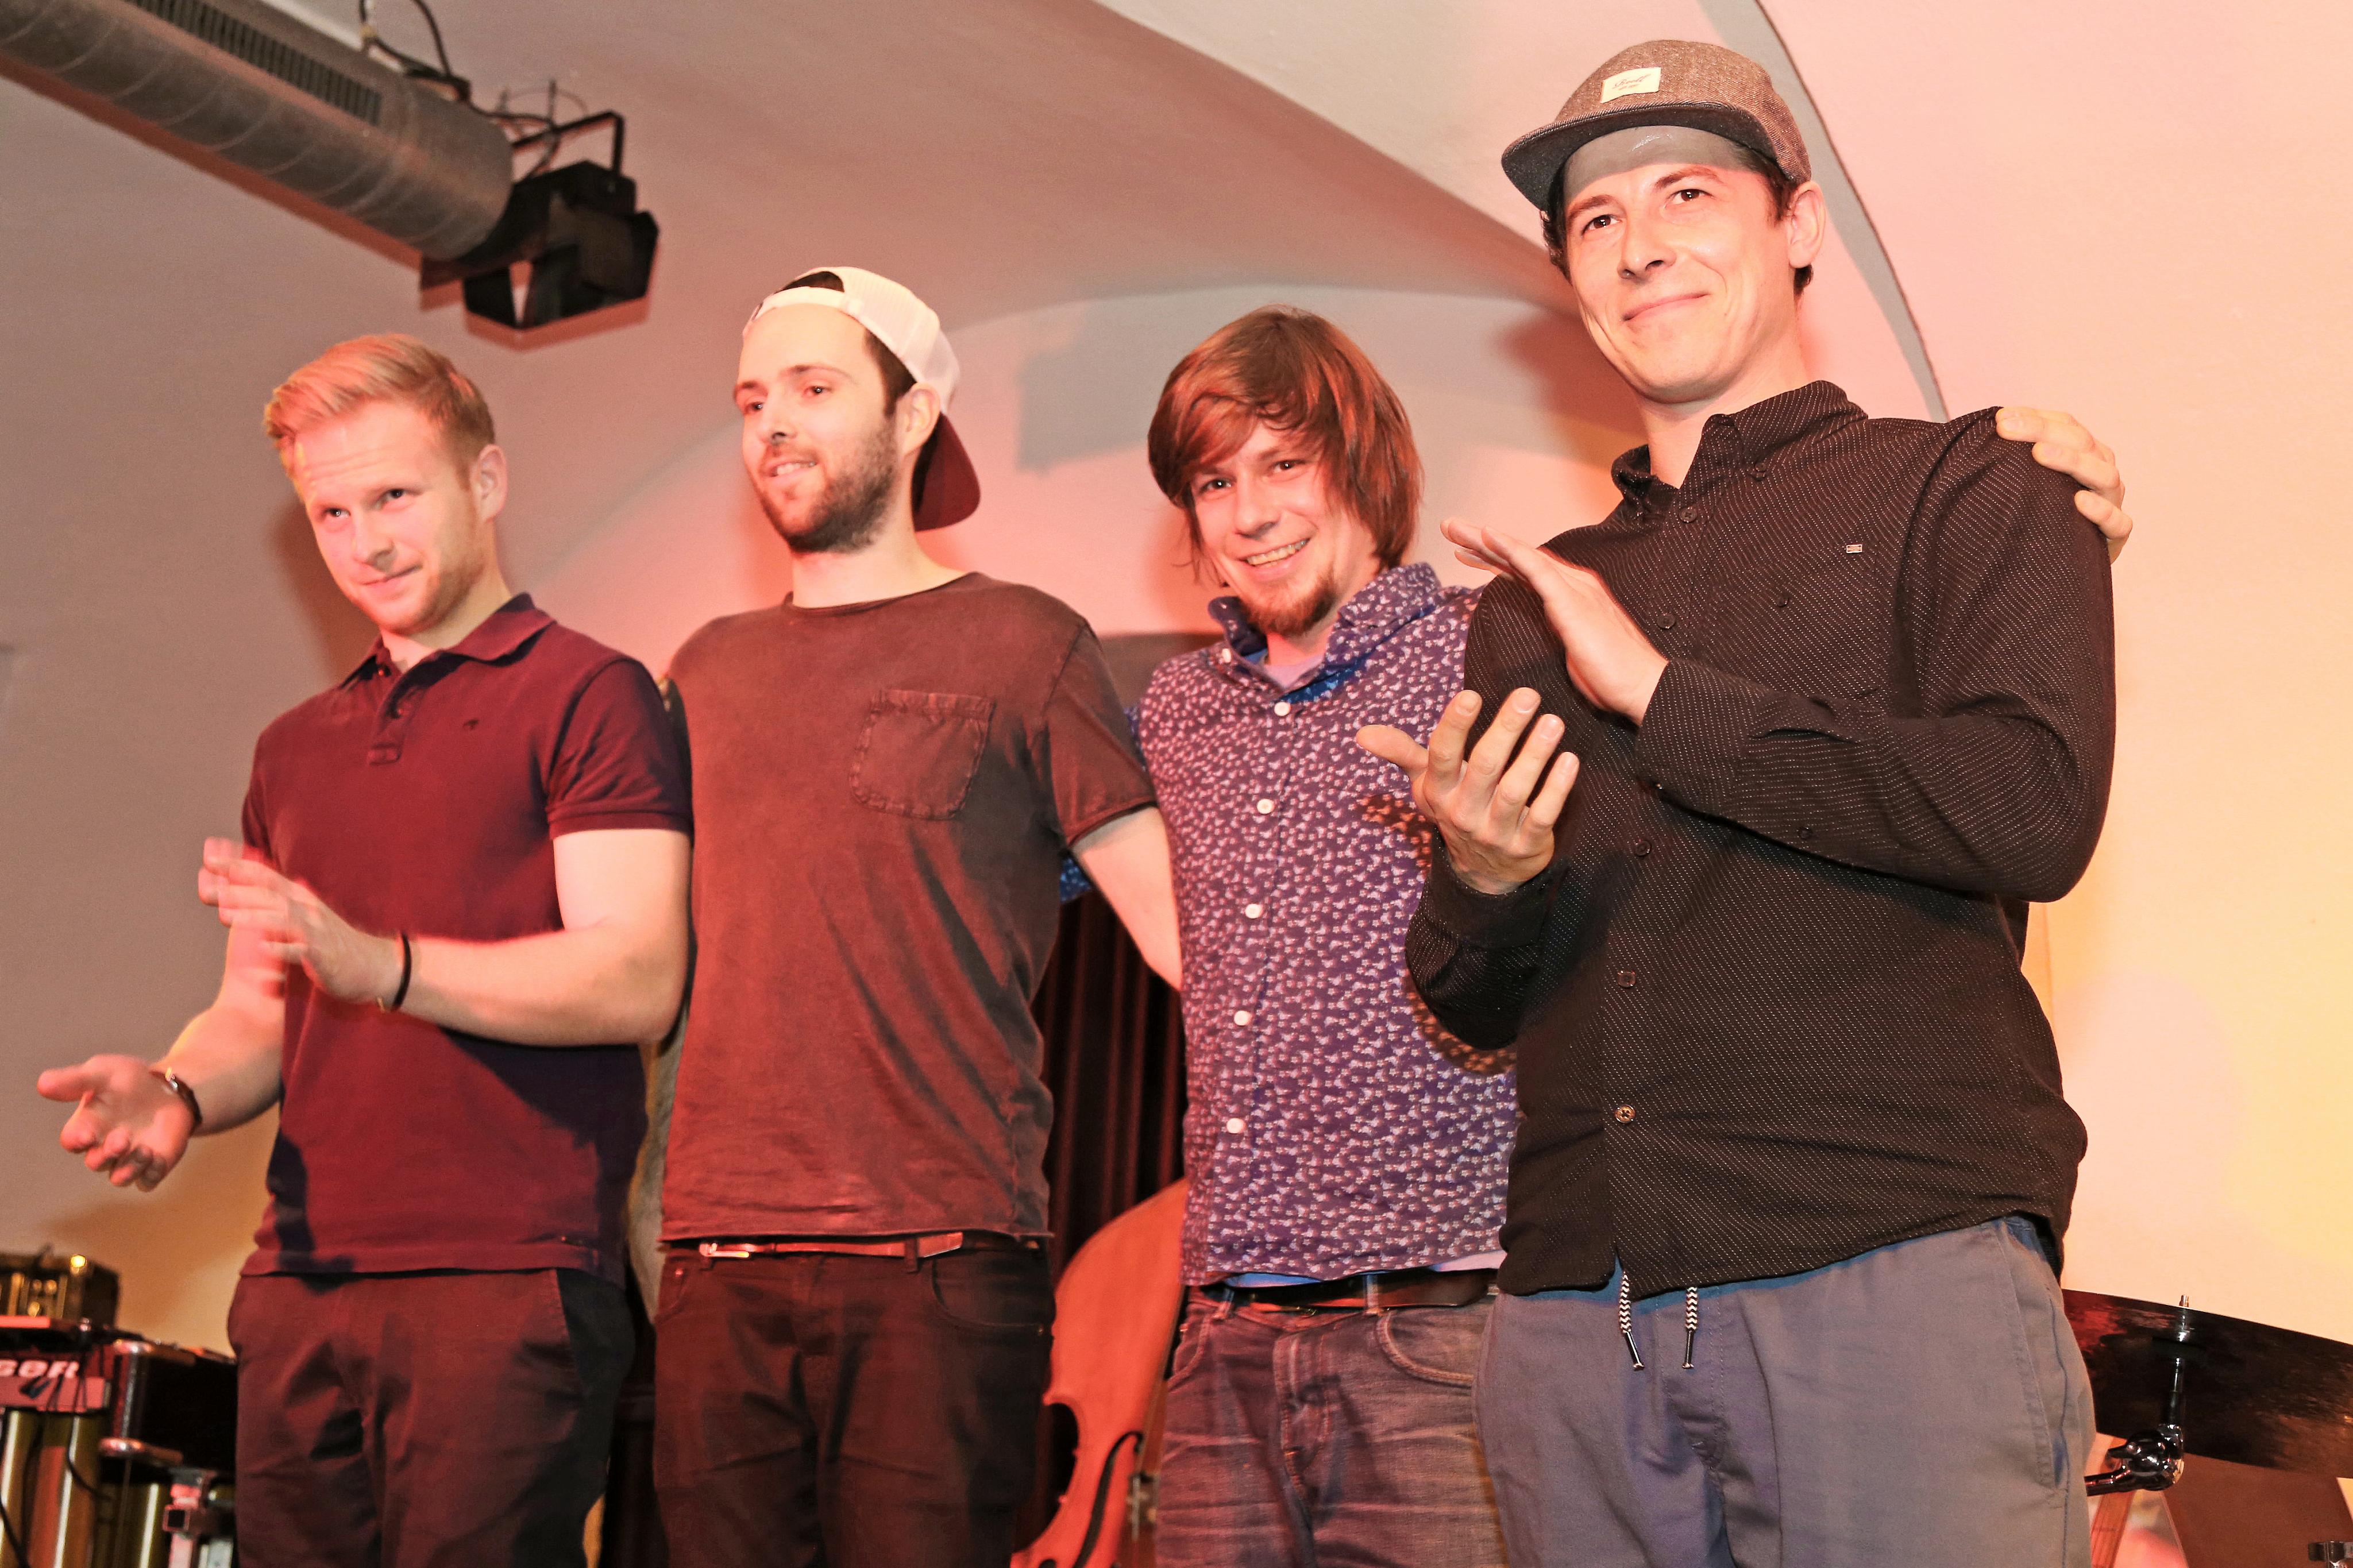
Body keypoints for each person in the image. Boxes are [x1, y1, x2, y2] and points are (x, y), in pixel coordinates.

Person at [1139, 291, 2131, 1560]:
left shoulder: (1499, 626)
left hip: (1448, 1306)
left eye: (1285, 465)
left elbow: (1996, 784)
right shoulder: (1174, 707)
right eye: (1213, 482)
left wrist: (2058, 499)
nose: (1249, 510)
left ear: (1365, 469)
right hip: (1250, 1316)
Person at [1360, 40, 2115, 1567]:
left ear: (1798, 223)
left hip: (1889, 1277)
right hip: (1573, 1317)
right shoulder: (1527, 604)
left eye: (1687, 193)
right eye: (1594, 219)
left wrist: (1660, 693)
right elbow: (1471, 1000)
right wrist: (1486, 878)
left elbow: (2030, 807)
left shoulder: (1974, 488)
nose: (1638, 243)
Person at [37, 333, 692, 1567]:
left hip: (506, 1279)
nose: (367, 543)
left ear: (485, 482)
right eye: (332, 513)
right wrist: (176, 1089)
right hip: (301, 1279)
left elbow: (637, 973)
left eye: (394, 497)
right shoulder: (292, 748)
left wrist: (385, 964)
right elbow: (256, 1011)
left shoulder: (590, 694)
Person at [650, 267, 1179, 1568]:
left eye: (814, 388)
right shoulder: (702, 669)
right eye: (752, 400)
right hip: (714, 1268)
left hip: (939, 1267)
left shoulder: (1027, 643)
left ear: (914, 415)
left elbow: (1184, 937)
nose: (774, 424)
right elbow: (645, 969)